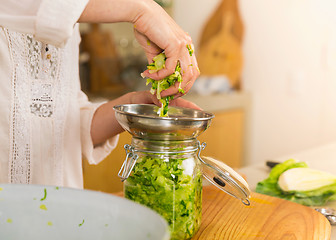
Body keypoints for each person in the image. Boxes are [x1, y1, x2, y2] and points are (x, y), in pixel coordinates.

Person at [0, 0, 200, 188]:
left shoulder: (70, 20)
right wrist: (142, 9)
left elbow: (63, 121)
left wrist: (134, 106)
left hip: (59, 211)